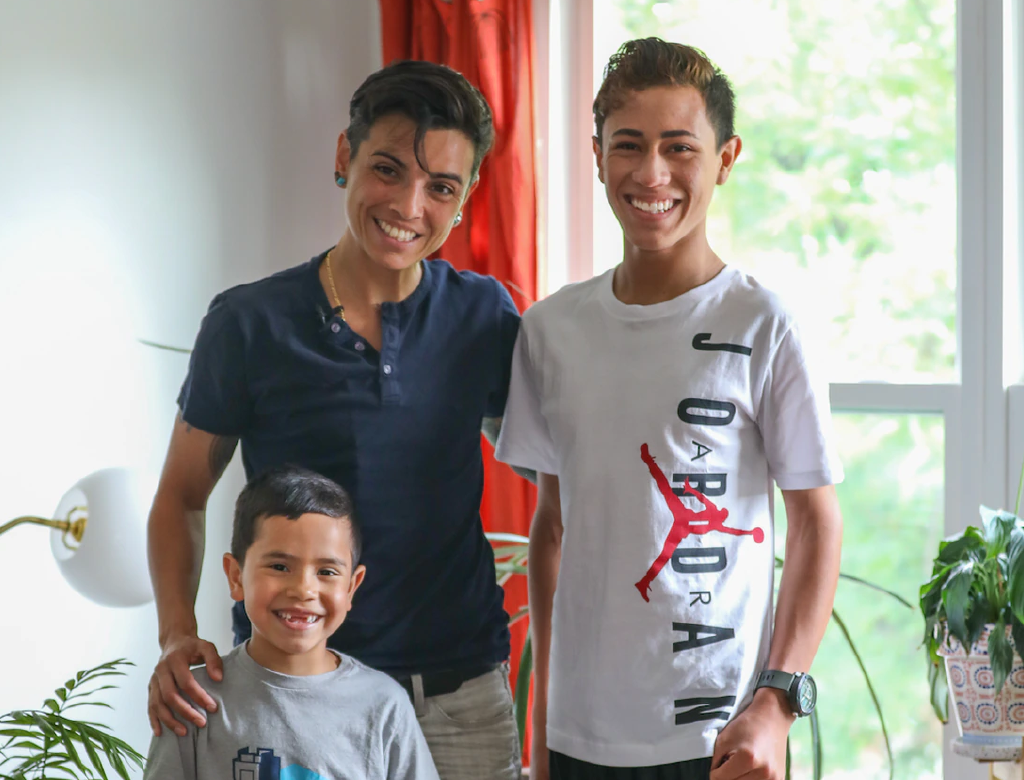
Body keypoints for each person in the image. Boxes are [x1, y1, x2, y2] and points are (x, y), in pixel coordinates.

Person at [146, 60, 523, 780]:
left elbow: (559, 470)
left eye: (441, 187)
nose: (409, 205)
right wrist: (175, 635)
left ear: (467, 196)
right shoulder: (250, 323)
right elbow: (181, 495)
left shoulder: (483, 316)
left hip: (457, 696)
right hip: (296, 697)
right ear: (345, 156)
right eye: (388, 169)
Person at [495, 38, 844, 780]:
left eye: (679, 147)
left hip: (723, 736)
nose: (651, 173)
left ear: (725, 159)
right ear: (597, 156)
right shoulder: (550, 330)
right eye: (628, 145)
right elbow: (552, 527)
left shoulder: (764, 323)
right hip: (581, 736)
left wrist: (776, 706)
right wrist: (543, 721)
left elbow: (816, 523)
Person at [143, 465, 439, 780]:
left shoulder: (385, 705)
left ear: (351, 587)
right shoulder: (191, 698)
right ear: (236, 576)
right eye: (280, 566)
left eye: (326, 572)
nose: (303, 589)